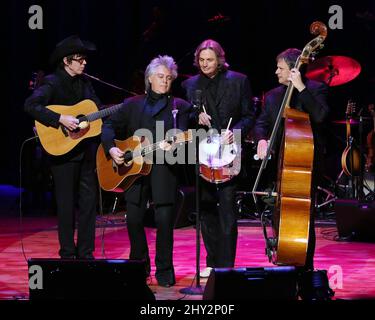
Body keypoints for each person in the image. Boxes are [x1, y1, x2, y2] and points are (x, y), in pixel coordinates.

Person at [101, 55, 192, 287]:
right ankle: (138, 266)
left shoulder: (179, 106)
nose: (165, 81)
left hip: (163, 167)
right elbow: (109, 126)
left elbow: (181, 133)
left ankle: (164, 270)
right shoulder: (132, 104)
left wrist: (176, 142)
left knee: (163, 220)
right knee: (133, 218)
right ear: (149, 78)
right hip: (134, 170)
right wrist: (112, 149)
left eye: (168, 78)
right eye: (160, 77)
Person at [181, 39, 254, 277]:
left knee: (227, 210)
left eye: (209, 60)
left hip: (229, 153)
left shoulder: (239, 81)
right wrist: (195, 117)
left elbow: (249, 115)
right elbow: (185, 116)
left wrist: (236, 132)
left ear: (220, 60)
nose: (204, 64)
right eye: (201, 60)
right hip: (203, 153)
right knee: (206, 209)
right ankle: (212, 261)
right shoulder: (190, 85)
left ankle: (226, 265)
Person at [24, 35, 101, 259]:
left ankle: (86, 252)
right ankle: (67, 253)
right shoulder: (52, 82)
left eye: (85, 59)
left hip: (86, 151)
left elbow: (95, 106)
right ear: (66, 61)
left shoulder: (85, 83)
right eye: (79, 59)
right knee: (66, 206)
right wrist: (60, 118)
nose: (84, 63)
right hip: (62, 154)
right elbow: (31, 105)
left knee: (89, 204)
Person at [254, 48, 330, 270]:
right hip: (281, 166)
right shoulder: (273, 95)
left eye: (281, 68)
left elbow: (321, 116)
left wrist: (301, 89)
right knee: (279, 217)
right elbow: (261, 124)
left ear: (294, 70)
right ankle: (285, 265)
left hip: (306, 164)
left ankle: (305, 268)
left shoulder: (316, 89)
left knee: (304, 218)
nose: (276, 72)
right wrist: (262, 139)